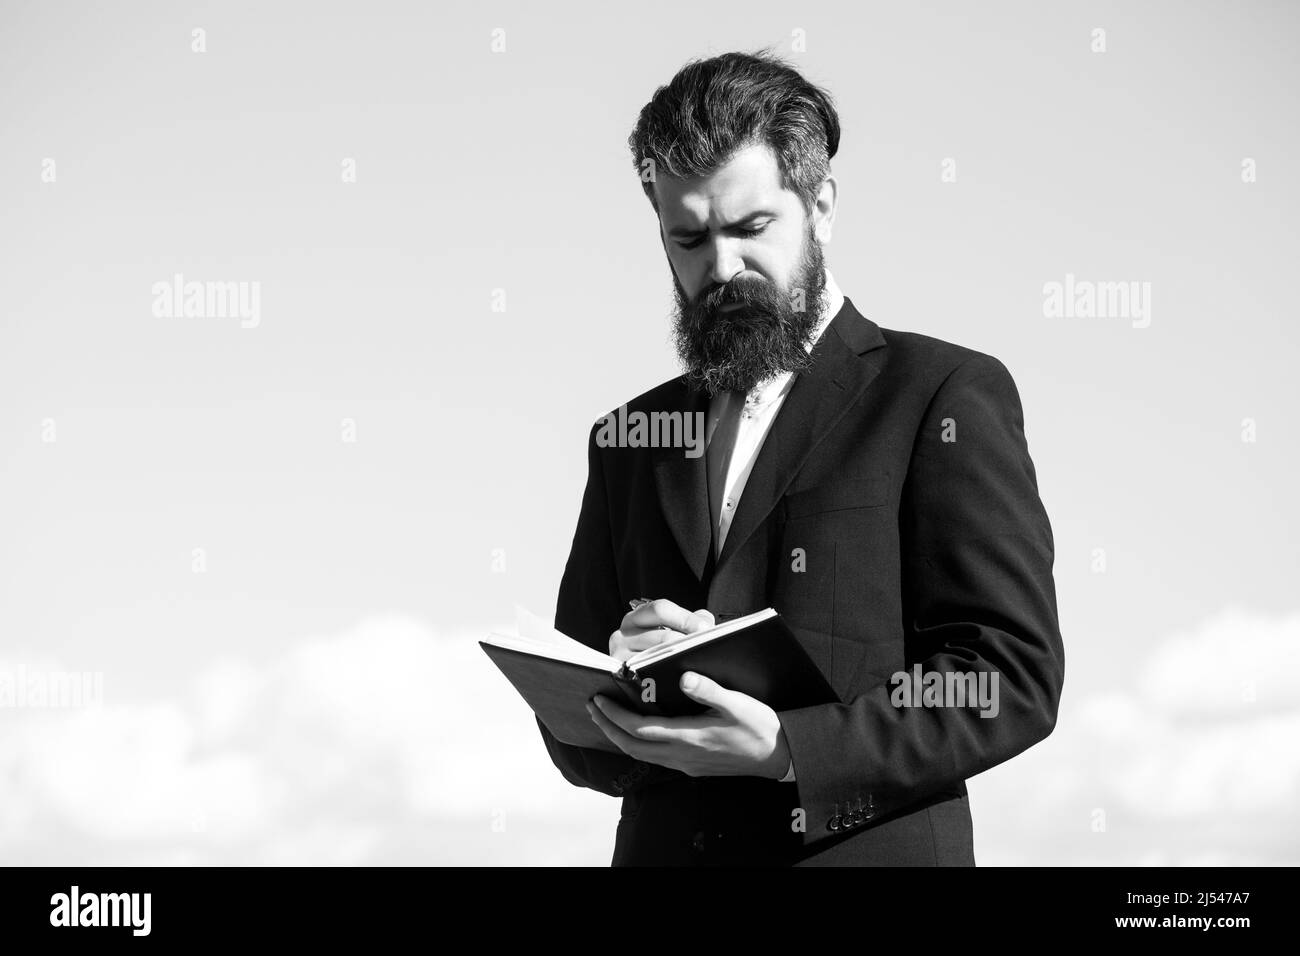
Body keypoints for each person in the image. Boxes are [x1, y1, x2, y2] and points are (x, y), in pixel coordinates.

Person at [536, 49, 1065, 866]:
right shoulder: (627, 440)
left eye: (751, 229)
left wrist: (789, 748)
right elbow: (575, 744)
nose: (722, 268)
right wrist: (625, 673)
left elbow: (1005, 679)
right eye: (688, 238)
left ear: (820, 203)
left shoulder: (941, 394)